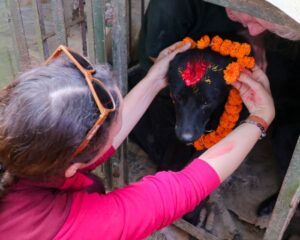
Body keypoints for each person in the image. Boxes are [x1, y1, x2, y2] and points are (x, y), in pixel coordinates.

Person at [0, 40, 274, 239]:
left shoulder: (19, 141)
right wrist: (260, 117)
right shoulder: (67, 227)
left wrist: (155, 78)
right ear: (71, 167)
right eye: (112, 131)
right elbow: (179, 190)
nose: (120, 123)